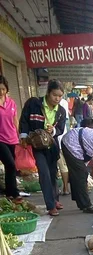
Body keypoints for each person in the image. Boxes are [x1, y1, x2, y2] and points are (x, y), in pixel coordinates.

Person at [19, 80, 66, 216]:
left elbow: (61, 129)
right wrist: (23, 136)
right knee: (44, 173)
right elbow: (24, 120)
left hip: (52, 146)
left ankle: (55, 199)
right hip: (37, 145)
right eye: (54, 95)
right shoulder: (33, 103)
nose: (57, 99)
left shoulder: (61, 111)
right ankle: (51, 205)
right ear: (48, 93)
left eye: (60, 96)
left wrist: (53, 130)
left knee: (52, 173)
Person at [0, 75, 21, 204]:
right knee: (10, 164)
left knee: (11, 167)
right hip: (0, 139)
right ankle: (14, 192)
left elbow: (15, 120)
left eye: (3, 89)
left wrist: (20, 135)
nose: (1, 92)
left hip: (12, 138)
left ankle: (10, 194)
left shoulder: (11, 102)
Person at [58, 96, 70, 195]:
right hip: (61, 140)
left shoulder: (63, 104)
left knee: (61, 166)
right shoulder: (64, 103)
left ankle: (65, 188)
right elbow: (67, 122)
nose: (57, 98)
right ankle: (65, 188)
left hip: (58, 139)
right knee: (63, 166)